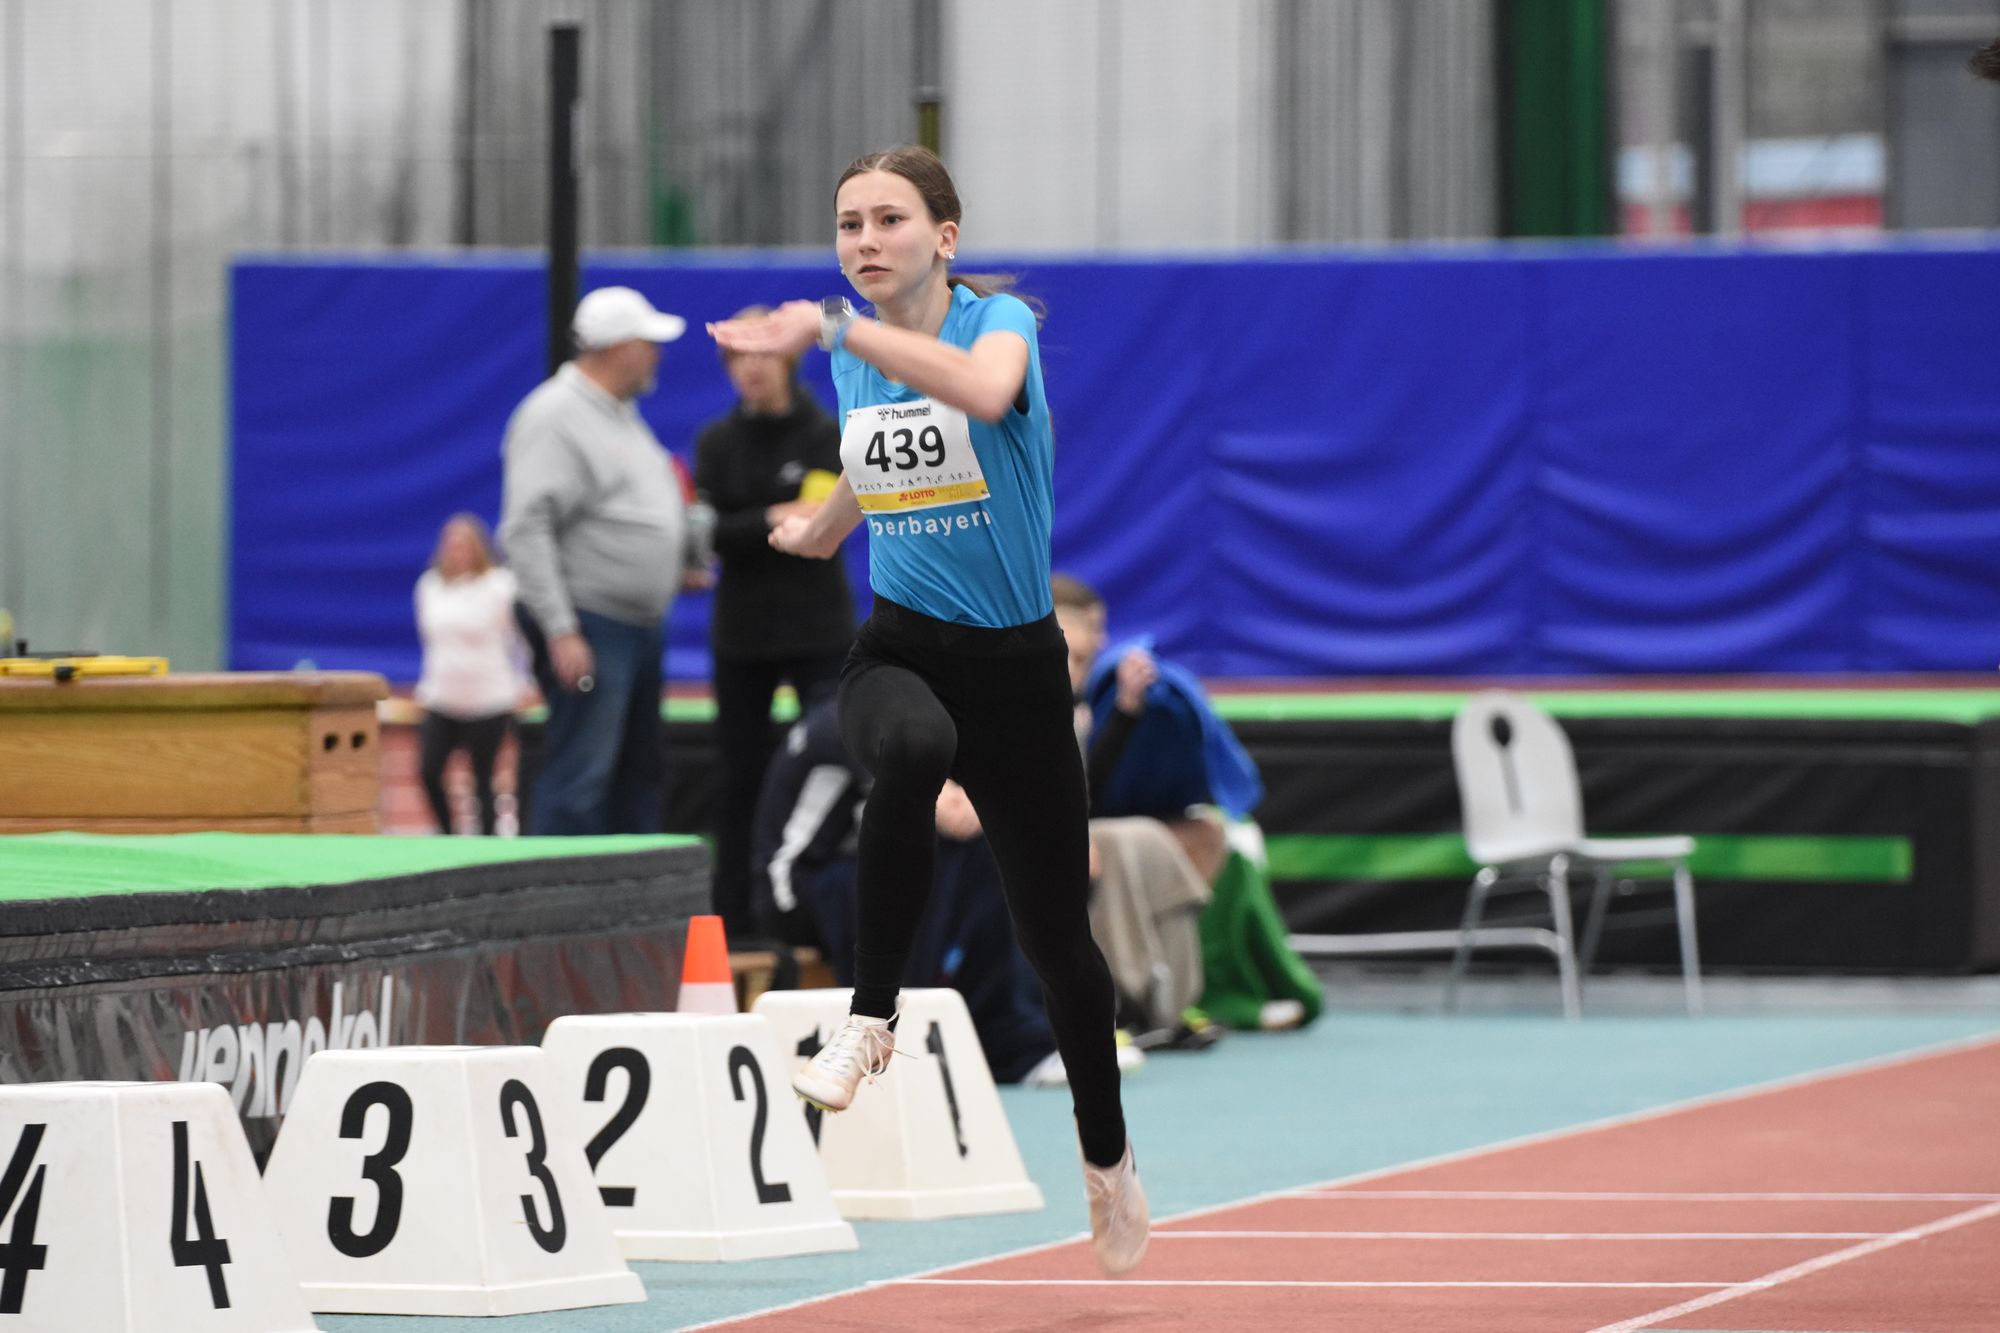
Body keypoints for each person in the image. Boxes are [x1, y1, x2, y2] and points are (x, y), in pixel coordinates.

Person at [708, 145, 1147, 1274]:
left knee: (1059, 946)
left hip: (1016, 670)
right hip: (900, 646)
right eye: (847, 222)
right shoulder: (858, 354)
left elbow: (979, 396)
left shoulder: (998, 326)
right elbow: (883, 459)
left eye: (888, 220)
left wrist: (832, 332)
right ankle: (870, 1016)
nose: (864, 240)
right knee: (909, 745)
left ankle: (1106, 1157)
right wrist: (822, 529)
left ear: (943, 237)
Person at [1054, 573, 1324, 1035]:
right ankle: (1135, 999)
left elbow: (1087, 789)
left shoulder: (1084, 704)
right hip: (1058, 834)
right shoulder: (1033, 701)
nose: (1098, 644)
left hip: (1090, 823)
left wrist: (1125, 711)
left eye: (1096, 637)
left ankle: (1179, 998)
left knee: (1213, 836)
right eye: (1082, 642)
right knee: (1132, 842)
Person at [499, 285, 694, 835]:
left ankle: (627, 886)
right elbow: (526, 527)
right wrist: (562, 630)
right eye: (649, 344)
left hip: (630, 624)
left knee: (635, 774)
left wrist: (672, 565)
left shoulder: (615, 412)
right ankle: (557, 889)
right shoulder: (555, 415)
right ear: (620, 348)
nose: (657, 355)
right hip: (592, 623)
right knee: (581, 776)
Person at [695, 309, 856, 939]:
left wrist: (760, 522)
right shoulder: (716, 443)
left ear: (788, 359)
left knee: (830, 760)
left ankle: (812, 911)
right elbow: (713, 535)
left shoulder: (824, 433)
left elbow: (819, 521)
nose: (751, 369)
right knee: (738, 776)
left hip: (818, 629)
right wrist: (770, 517)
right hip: (742, 634)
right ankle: (735, 920)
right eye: (738, 358)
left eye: (762, 354)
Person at [413, 513, 524, 835]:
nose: (457, 551)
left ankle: (486, 843)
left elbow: (517, 638)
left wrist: (524, 681)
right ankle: (447, 834)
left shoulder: (500, 585)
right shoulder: (430, 585)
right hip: (442, 696)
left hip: (489, 697)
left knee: (482, 778)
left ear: (479, 547)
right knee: (429, 770)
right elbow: (429, 640)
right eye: (451, 544)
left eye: (464, 544)